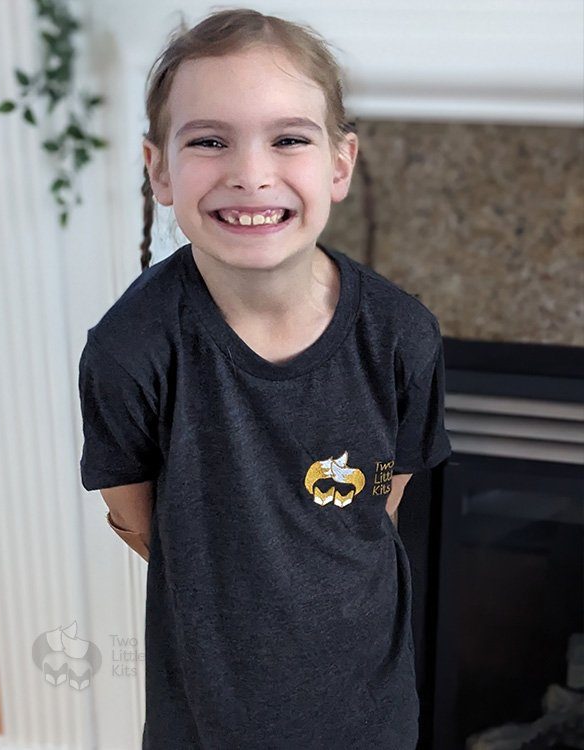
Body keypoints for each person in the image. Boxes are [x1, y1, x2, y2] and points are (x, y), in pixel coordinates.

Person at [78, 8, 452, 749]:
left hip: (369, 715)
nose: (251, 174)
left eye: (288, 139)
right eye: (210, 141)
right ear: (159, 169)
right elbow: (145, 525)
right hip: (210, 724)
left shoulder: (403, 336)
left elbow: (377, 508)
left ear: (339, 165)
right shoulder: (130, 351)